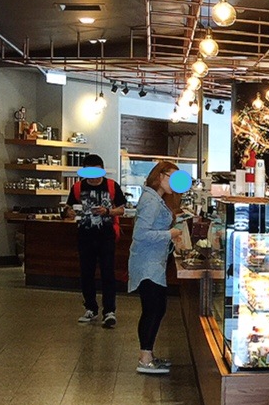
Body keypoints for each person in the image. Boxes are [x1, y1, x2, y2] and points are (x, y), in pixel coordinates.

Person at [129, 160, 184, 375]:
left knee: (156, 308)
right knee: (153, 309)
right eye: (173, 177)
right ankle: (144, 358)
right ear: (160, 176)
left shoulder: (156, 198)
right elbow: (140, 234)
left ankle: (148, 355)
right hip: (147, 263)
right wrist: (170, 234)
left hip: (152, 261)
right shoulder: (151, 200)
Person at [67, 154, 127, 328]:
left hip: (106, 235)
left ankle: (109, 311)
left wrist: (107, 212)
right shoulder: (77, 187)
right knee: (86, 273)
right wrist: (70, 212)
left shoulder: (112, 186)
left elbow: (122, 209)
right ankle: (90, 308)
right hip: (85, 235)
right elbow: (69, 208)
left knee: (108, 272)